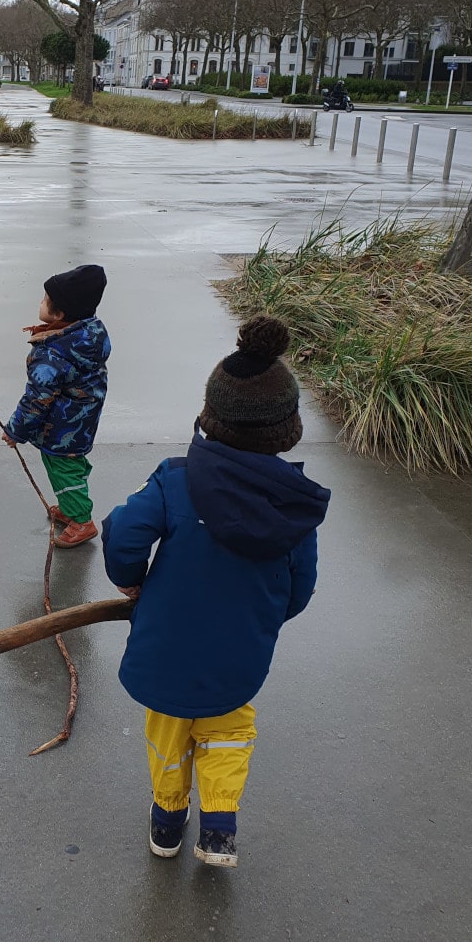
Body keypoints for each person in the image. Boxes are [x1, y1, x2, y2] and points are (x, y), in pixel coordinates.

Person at [101, 316, 330, 866]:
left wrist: (128, 578)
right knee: (229, 733)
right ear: (286, 427)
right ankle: (219, 828)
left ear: (210, 415)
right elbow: (302, 585)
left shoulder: (174, 480)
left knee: (167, 734)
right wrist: (266, 616)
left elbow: (123, 529)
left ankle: (166, 821)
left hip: (165, 647)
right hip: (239, 653)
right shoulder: (292, 504)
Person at [0, 265, 110, 548]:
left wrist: (15, 430)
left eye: (44, 299)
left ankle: (82, 521)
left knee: (63, 468)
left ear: (59, 314)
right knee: (71, 462)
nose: (39, 302)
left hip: (63, 425)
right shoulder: (89, 333)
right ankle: (71, 506)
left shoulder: (52, 354)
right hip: (83, 415)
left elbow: (37, 399)